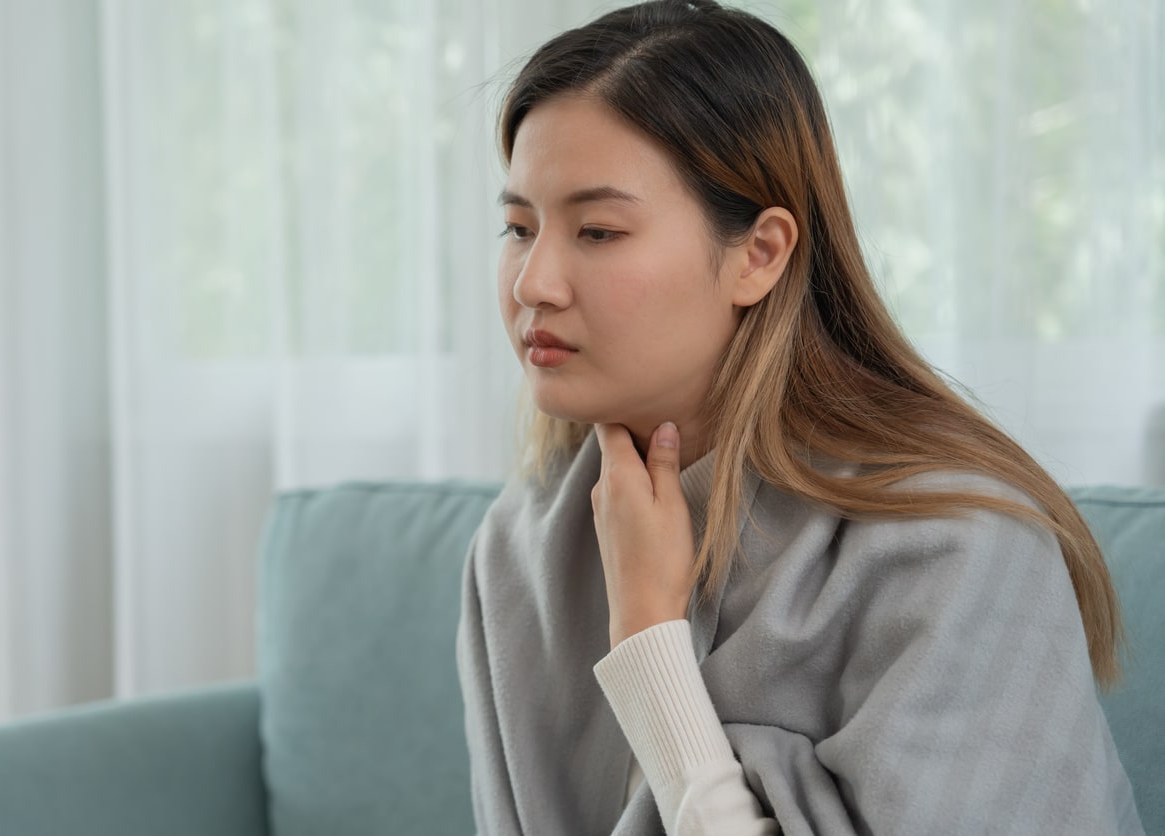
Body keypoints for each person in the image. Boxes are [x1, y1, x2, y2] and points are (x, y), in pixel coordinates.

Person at [455, 1, 1144, 833]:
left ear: (760, 254)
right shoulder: (522, 544)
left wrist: (649, 642)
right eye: (517, 227)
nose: (533, 282)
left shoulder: (963, 545)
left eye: (597, 231)